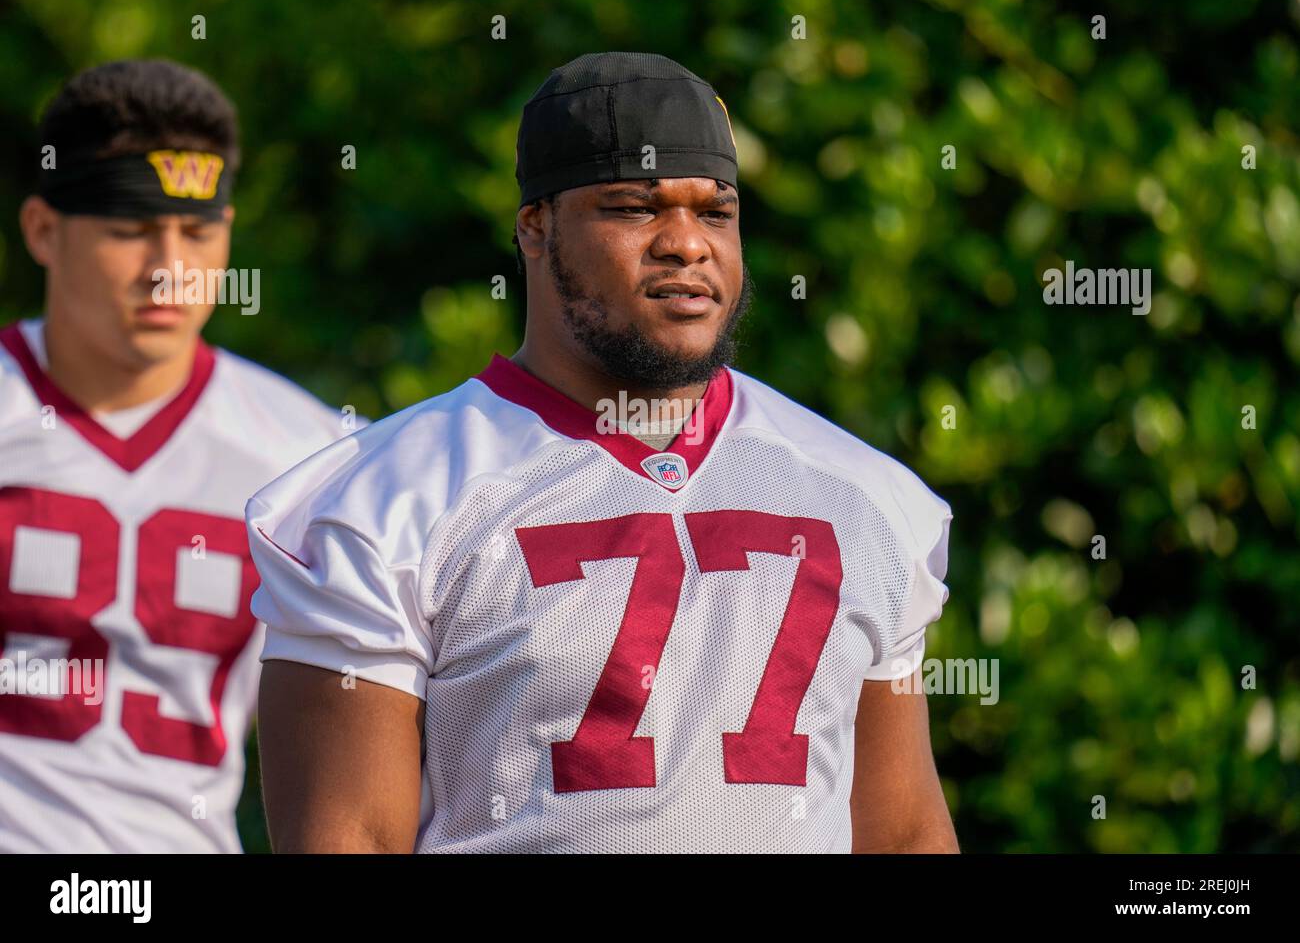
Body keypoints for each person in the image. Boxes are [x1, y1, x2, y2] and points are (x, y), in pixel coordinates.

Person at [249, 51, 958, 853]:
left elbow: (902, 835)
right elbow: (348, 840)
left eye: (715, 212)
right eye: (635, 208)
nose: (686, 245)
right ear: (535, 228)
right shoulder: (386, 504)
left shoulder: (865, 497)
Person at [0, 59, 356, 852]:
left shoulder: (310, 454)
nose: (168, 269)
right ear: (43, 231)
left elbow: (355, 749)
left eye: (198, 233)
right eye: (130, 231)